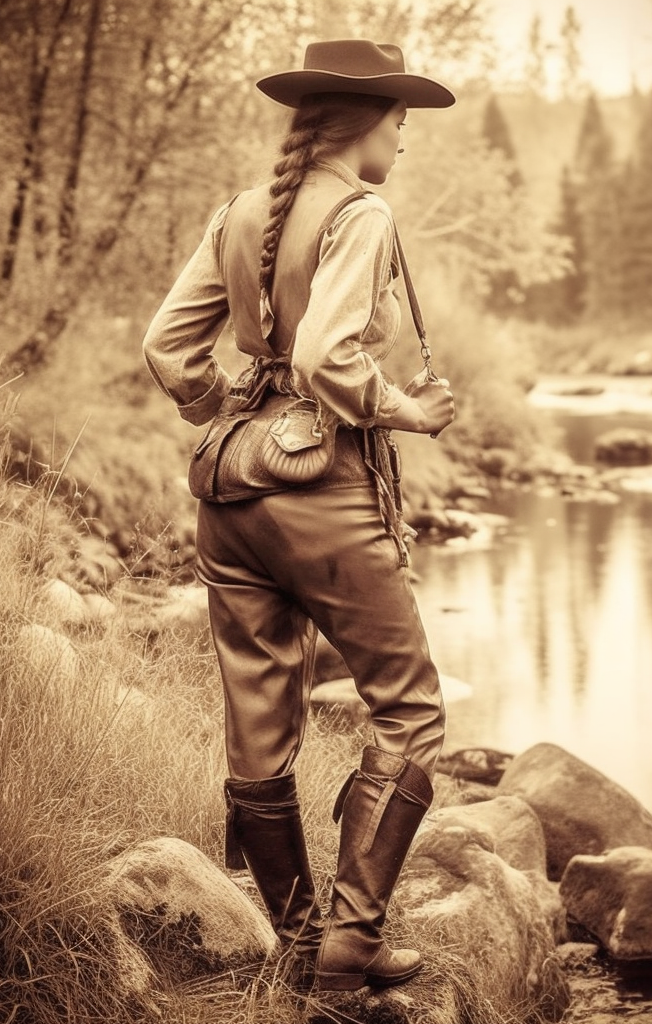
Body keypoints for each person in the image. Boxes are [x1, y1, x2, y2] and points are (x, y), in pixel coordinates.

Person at [141, 39, 456, 992]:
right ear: (365, 122)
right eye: (402, 124)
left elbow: (167, 347)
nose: (404, 144)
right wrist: (405, 410)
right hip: (323, 495)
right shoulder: (362, 211)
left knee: (259, 727)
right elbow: (325, 356)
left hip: (229, 494)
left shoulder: (240, 212)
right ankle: (354, 940)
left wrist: (230, 411)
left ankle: (300, 944)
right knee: (410, 714)